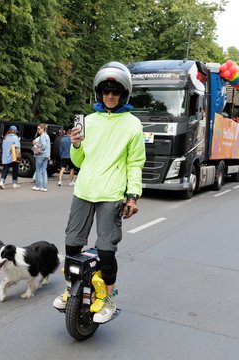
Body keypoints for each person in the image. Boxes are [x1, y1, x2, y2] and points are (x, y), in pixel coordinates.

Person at [52, 62, 146, 323]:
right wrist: (76, 145)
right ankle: (71, 287)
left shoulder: (132, 124)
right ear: (99, 93)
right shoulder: (87, 122)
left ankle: (108, 297)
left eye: (115, 92)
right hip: (84, 191)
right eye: (106, 91)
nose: (110, 96)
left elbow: (135, 162)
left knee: (106, 249)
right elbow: (79, 162)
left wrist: (132, 196)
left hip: (111, 194)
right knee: (72, 244)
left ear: (124, 94)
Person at [0, 125, 21, 189]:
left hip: (6, 156)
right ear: (14, 131)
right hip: (13, 156)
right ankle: (14, 184)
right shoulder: (15, 137)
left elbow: (3, 147)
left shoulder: (5, 137)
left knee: (5, 169)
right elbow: (18, 146)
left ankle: (2, 181)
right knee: (15, 169)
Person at [32, 123, 50, 192]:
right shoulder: (47, 136)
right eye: (37, 129)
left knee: (38, 170)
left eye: (39, 129)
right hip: (46, 156)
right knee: (44, 171)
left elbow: (44, 146)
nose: (37, 130)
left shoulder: (42, 136)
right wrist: (48, 155)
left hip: (40, 155)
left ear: (42, 129)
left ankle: (37, 186)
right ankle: (44, 187)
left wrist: (38, 148)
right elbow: (48, 146)